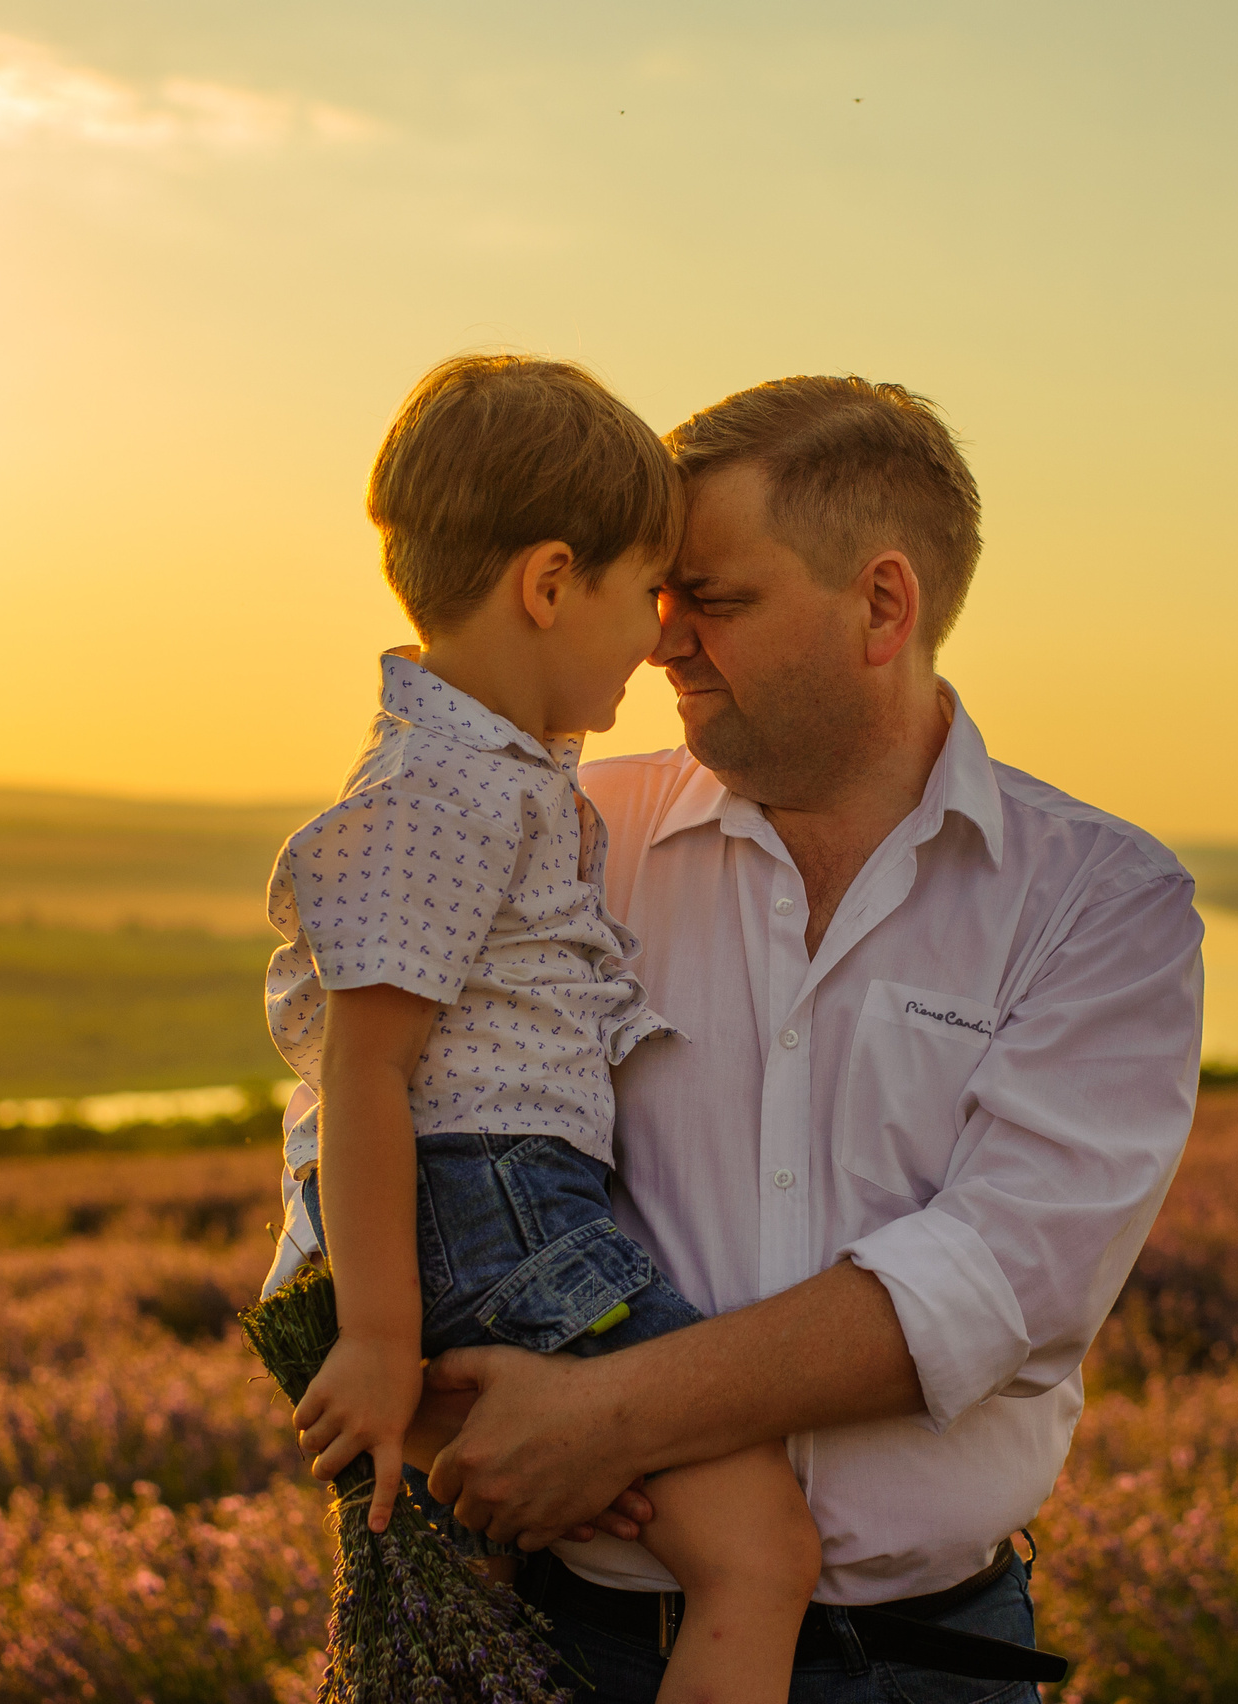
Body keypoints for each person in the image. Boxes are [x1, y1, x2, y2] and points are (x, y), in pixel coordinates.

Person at [400, 375, 1207, 1703]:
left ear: (882, 606)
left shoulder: (1101, 899)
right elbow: (399, 1113)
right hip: (552, 1645)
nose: (662, 642)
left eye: (713, 598)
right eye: (658, 595)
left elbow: (1000, 1283)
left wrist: (603, 1419)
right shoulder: (563, 839)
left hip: (926, 1665)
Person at [262, 354, 821, 1704]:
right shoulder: (442, 790)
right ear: (551, 582)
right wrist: (383, 1343)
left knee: (496, 1592)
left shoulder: (490, 771)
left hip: (508, 1207)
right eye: (649, 590)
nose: (662, 631)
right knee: (759, 1547)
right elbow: (366, 1073)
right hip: (497, 1210)